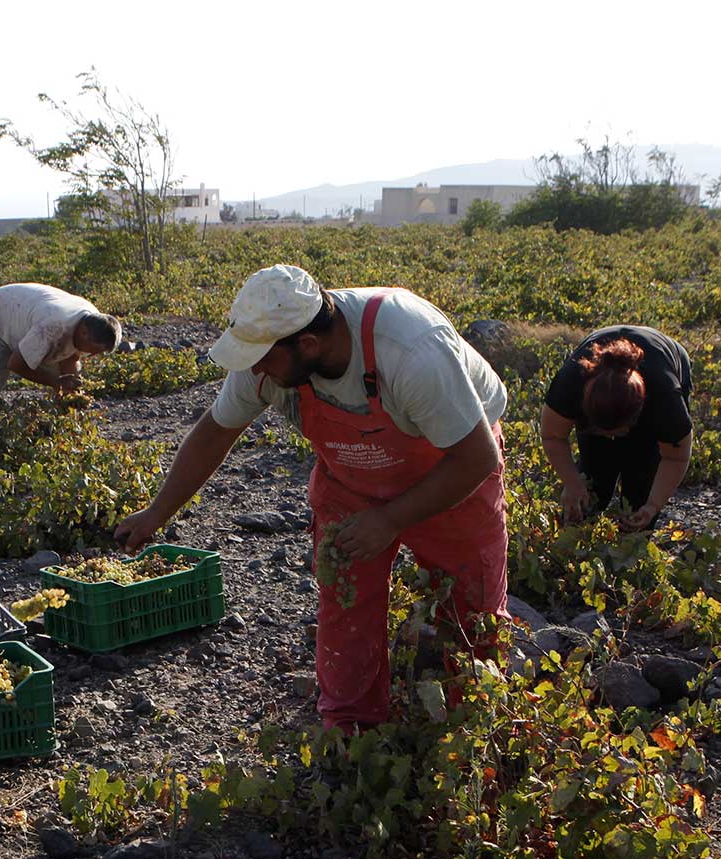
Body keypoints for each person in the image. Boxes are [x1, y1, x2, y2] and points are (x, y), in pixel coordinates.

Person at [116, 264, 508, 732]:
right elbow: (214, 434)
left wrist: (389, 520)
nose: (254, 368)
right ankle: (350, 728)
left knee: (471, 607)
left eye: (262, 359)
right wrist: (156, 513)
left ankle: (474, 729)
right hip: (351, 478)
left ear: (308, 345)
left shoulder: (410, 350)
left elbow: (475, 458)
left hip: (451, 467)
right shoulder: (267, 358)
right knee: (345, 602)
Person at [540, 325, 695, 532]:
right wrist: (571, 482)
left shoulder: (664, 400)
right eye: (601, 431)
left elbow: (675, 457)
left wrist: (652, 506)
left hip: (664, 360)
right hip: (598, 387)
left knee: (641, 485)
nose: (610, 437)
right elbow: (552, 436)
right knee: (593, 478)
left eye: (617, 432)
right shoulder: (571, 382)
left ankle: (632, 543)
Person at [0, 283, 122, 464]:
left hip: (29, 315)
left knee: (68, 394)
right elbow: (15, 364)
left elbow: (72, 357)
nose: (94, 355)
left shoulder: (95, 323)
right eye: (96, 350)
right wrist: (55, 381)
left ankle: (61, 449)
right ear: (83, 333)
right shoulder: (53, 327)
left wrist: (72, 392)